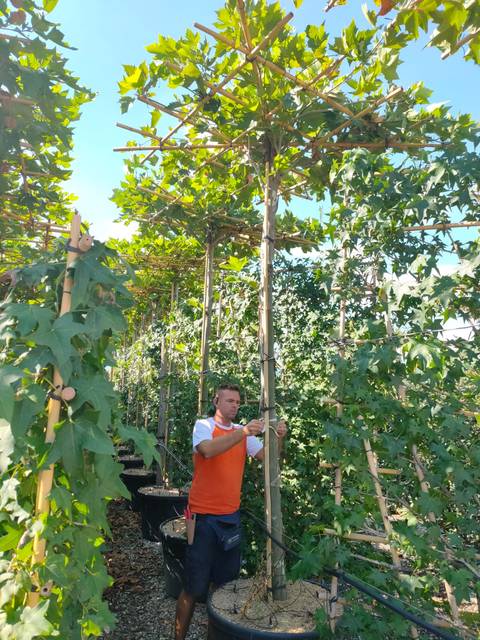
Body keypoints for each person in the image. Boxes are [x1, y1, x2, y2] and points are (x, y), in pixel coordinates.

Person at [174, 383, 287, 640]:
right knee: (193, 586)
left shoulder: (241, 433)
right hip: (202, 518)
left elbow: (268, 457)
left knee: (223, 588)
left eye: (237, 402)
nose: (235, 405)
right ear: (216, 401)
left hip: (229, 518)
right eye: (229, 401)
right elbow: (207, 450)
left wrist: (279, 438)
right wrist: (244, 432)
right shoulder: (203, 426)